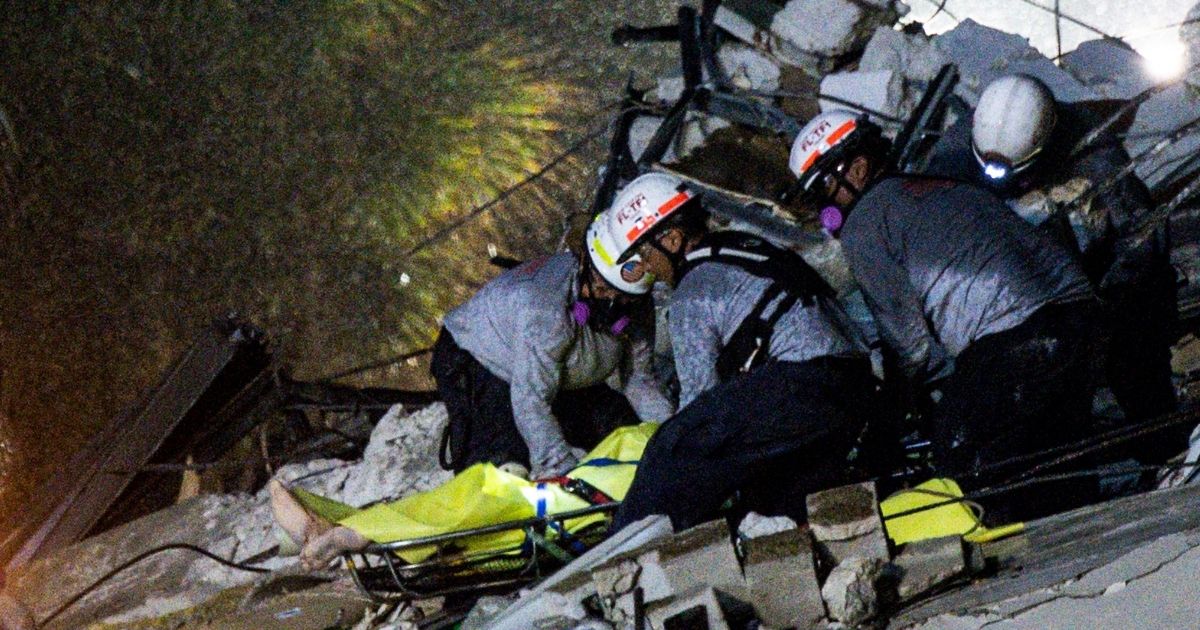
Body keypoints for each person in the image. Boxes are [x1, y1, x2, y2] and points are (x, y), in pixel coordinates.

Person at [790, 109, 1101, 522]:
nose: (826, 209)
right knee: (1053, 447)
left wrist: (897, 417)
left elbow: (912, 348)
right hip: (1082, 313)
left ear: (859, 168)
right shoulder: (945, 185)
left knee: (961, 452)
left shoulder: (864, 224)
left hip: (1015, 334)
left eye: (825, 189)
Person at [603, 173, 877, 532]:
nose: (647, 267)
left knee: (672, 445)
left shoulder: (694, 290)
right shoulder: (748, 247)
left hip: (803, 384)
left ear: (671, 238)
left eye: (644, 252)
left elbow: (697, 405)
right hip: (854, 385)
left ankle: (623, 551)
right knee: (769, 505)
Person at [926, 74, 1178, 443]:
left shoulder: (1091, 147)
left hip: (1094, 273)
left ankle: (1162, 443)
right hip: (1012, 285)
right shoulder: (953, 156)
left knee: (1136, 346)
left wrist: (1107, 294)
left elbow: (1141, 233)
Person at [432, 226, 675, 480]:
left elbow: (639, 379)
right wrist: (562, 472)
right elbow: (531, 399)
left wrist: (674, 437)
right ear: (583, 267)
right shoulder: (545, 309)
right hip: (477, 354)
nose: (609, 303)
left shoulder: (636, 306)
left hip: (559, 364)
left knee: (624, 428)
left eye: (619, 298)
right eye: (601, 291)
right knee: (505, 466)